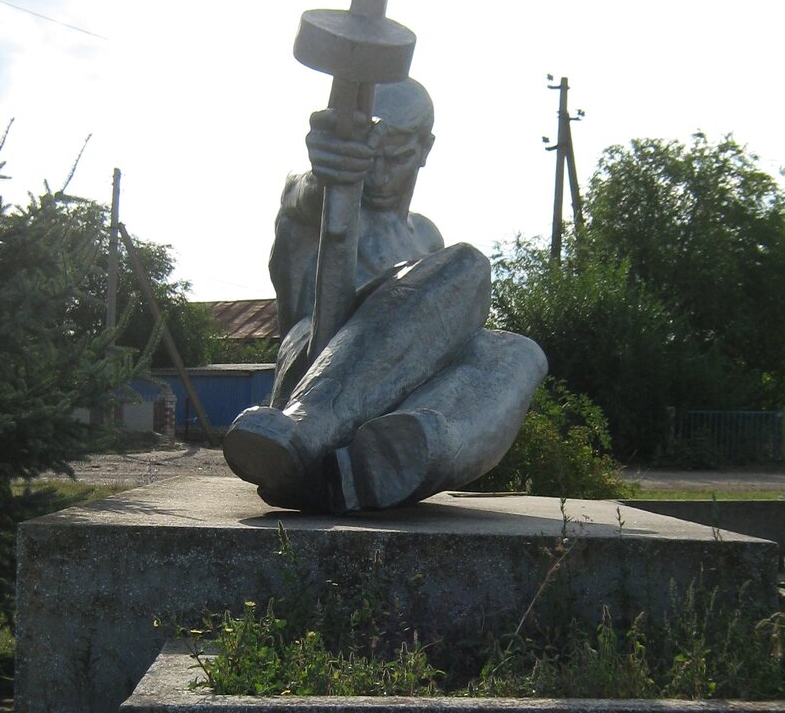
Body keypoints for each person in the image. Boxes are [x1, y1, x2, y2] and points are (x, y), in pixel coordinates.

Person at [224, 79, 546, 513]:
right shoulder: (323, 204)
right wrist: (331, 170)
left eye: (394, 157)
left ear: (425, 148)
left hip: (390, 401)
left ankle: (378, 463)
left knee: (519, 354)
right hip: (310, 362)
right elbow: (300, 194)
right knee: (469, 264)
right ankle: (308, 428)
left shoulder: (426, 238)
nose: (376, 172)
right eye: (368, 157)